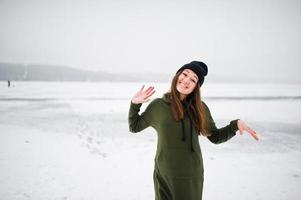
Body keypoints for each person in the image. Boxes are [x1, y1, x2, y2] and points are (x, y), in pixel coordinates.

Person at [128, 61, 258, 200]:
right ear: (177, 75)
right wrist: (135, 104)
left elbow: (215, 137)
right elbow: (134, 126)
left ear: (196, 87)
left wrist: (235, 126)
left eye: (193, 80)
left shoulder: (199, 108)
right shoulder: (158, 106)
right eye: (185, 74)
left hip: (190, 176)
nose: (186, 81)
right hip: (163, 174)